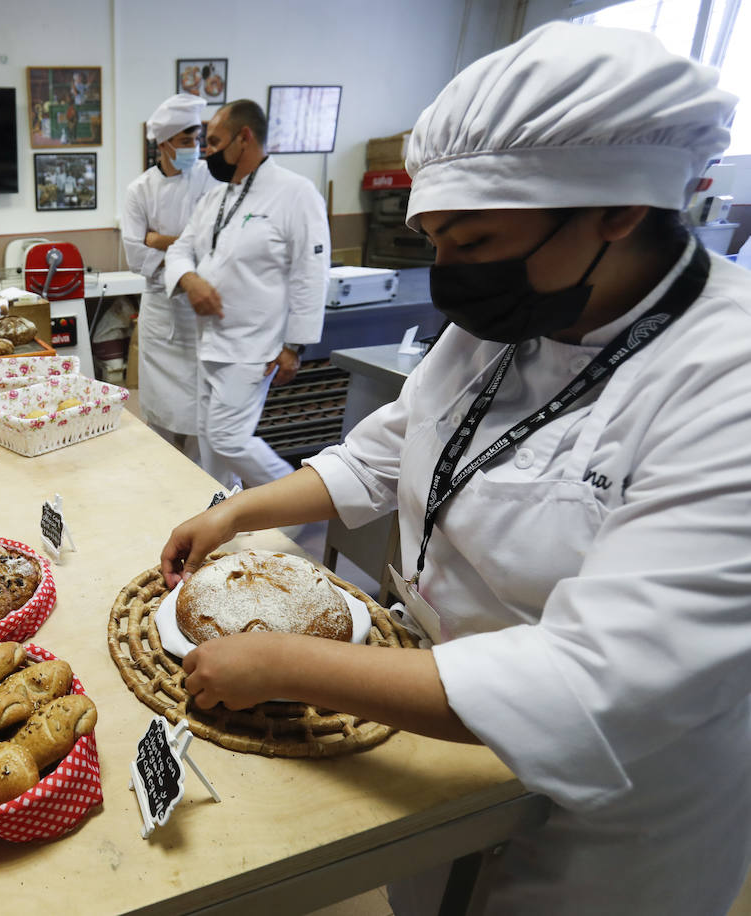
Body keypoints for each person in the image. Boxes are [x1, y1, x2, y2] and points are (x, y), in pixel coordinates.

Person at [159, 23, 751, 914]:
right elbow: (385, 446)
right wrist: (239, 513)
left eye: (471, 245)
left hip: (610, 822)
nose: (447, 279)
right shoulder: (515, 315)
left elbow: (595, 684)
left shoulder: (724, 386)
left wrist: (287, 663)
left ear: (618, 211)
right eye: (434, 239)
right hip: (434, 724)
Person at [165, 98, 330, 490]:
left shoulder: (295, 193)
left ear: (245, 137)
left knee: (227, 438)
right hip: (210, 341)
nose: (207, 151)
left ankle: (292, 499)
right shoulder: (216, 197)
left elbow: (311, 272)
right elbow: (179, 250)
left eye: (215, 141)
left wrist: (295, 346)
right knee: (208, 440)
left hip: (255, 345)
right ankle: (222, 514)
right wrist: (190, 280)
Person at [121, 94, 219, 455]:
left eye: (197, 139)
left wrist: (160, 239)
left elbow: (215, 242)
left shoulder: (211, 182)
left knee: (202, 410)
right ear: (164, 143)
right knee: (161, 411)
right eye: (186, 140)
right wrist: (185, 249)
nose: (194, 147)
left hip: (201, 309)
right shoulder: (139, 190)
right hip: (161, 312)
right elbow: (134, 253)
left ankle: (206, 489)